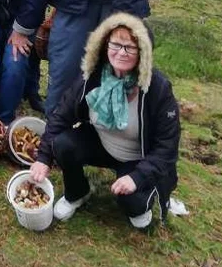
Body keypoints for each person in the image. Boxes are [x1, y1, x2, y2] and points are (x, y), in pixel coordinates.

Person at [29, 13, 180, 229]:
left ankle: (142, 200)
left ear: (143, 53)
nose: (121, 52)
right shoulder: (93, 76)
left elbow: (167, 147)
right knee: (62, 144)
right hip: (102, 143)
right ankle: (78, 192)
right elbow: (60, 116)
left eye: (130, 47)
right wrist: (43, 158)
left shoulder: (158, 89)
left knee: (134, 206)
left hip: (137, 157)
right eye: (115, 44)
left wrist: (137, 177)